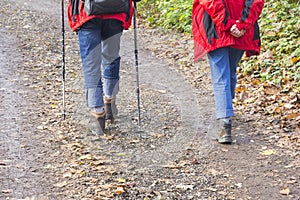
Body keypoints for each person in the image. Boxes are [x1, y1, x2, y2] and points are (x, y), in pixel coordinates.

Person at [192, 0, 264, 144]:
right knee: (229, 72)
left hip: (215, 27)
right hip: (241, 29)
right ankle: (226, 111)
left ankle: (225, 123)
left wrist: (228, 23)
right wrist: (242, 23)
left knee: (221, 75)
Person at [67, 0, 140, 134]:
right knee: (111, 58)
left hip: (87, 15)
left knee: (91, 64)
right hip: (116, 13)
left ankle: (98, 113)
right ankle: (109, 100)